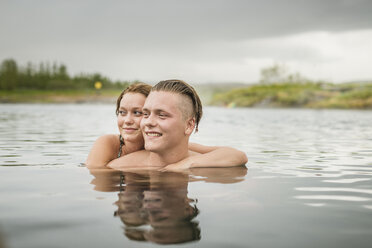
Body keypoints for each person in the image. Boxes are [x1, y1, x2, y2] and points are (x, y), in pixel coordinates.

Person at [107, 79, 247, 171]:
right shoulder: (119, 168)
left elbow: (239, 156)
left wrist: (187, 164)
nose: (149, 122)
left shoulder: (202, 163)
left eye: (161, 115)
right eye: (145, 114)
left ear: (189, 125)